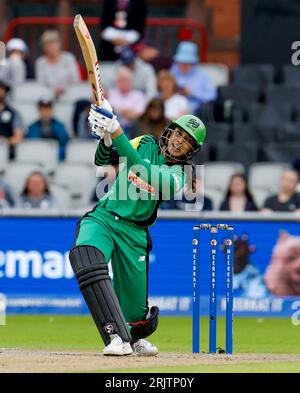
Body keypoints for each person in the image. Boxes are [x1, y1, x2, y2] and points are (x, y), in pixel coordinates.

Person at [69, 97, 206, 356]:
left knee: (135, 313)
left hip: (135, 234)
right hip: (104, 218)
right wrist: (105, 136)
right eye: (178, 133)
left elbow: (143, 171)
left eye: (186, 140)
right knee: (87, 258)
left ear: (191, 150)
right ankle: (114, 337)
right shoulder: (143, 142)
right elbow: (103, 159)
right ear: (169, 131)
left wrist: (117, 129)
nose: (179, 141)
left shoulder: (179, 176)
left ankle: (131, 338)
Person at [170, 41, 217, 114]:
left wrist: (192, 93)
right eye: (180, 62)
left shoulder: (203, 76)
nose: (183, 65)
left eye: (186, 63)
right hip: (171, 107)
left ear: (194, 63)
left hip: (194, 112)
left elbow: (211, 96)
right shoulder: (172, 72)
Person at [35, 30, 80, 98]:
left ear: (59, 44)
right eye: (48, 44)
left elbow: (76, 79)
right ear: (43, 47)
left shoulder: (69, 58)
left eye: (54, 43)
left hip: (70, 96)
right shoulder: (40, 62)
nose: (51, 47)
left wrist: (63, 89)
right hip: (47, 99)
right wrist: (53, 91)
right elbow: (40, 83)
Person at [108, 66, 147, 135]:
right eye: (122, 80)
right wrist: (125, 112)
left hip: (133, 128)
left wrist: (120, 111)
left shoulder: (138, 95)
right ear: (117, 81)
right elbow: (109, 111)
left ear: (131, 81)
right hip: (114, 128)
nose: (124, 82)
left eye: (126, 80)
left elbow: (140, 114)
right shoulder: (111, 93)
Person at [0, 81, 24, 156]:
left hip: (7, 151)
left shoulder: (13, 113)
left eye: (1, 89)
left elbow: (18, 137)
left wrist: (4, 141)